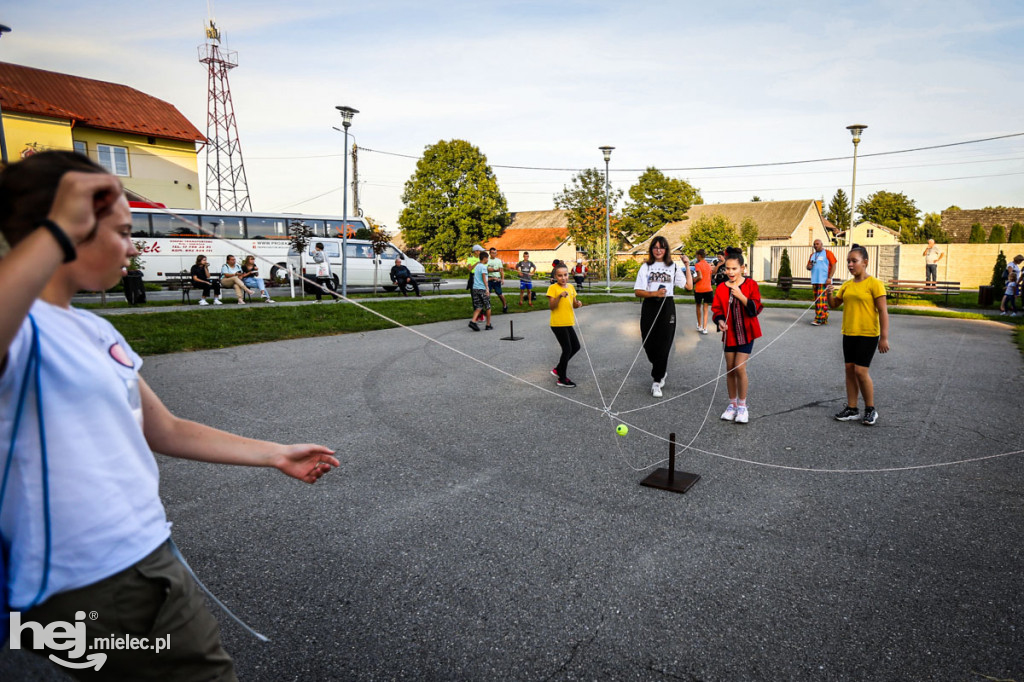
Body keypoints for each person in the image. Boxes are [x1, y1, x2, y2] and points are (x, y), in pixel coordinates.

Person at [0, 151, 339, 679]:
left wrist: (275, 454)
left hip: (149, 554)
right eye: (118, 231)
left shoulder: (94, 331)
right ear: (68, 231)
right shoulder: (20, 328)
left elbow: (166, 428)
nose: (132, 247)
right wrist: (58, 227)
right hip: (86, 584)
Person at [826, 244, 890, 426]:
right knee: (849, 370)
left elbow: (883, 311)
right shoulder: (847, 285)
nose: (850, 265)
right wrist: (830, 294)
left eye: (854, 261)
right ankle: (852, 408)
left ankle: (870, 409)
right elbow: (834, 304)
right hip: (849, 333)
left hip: (868, 334)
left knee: (861, 372)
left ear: (865, 262)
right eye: (848, 261)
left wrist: (884, 337)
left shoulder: (874, 284)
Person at [633, 236, 693, 398]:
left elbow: (688, 286)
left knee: (664, 344)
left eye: (662, 247)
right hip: (650, 305)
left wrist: (687, 265)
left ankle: (657, 381)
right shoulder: (646, 267)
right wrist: (654, 293)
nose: (658, 250)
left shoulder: (672, 267)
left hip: (667, 306)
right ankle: (659, 368)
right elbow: (638, 291)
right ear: (652, 249)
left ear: (666, 250)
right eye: (655, 247)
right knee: (648, 343)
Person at [711, 246, 763, 424]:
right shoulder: (720, 288)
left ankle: (742, 406)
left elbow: (755, 308)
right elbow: (716, 309)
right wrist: (719, 321)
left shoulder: (751, 285)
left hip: (746, 332)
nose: (730, 272)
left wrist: (741, 296)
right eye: (727, 268)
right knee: (730, 369)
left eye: (734, 268)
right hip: (730, 334)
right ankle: (732, 405)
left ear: (742, 268)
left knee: (739, 367)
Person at [547, 263, 583, 388]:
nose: (563, 278)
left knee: (576, 346)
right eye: (560, 275)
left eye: (565, 275)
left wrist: (578, 304)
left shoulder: (571, 288)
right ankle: (561, 378)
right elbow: (552, 306)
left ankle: (558, 368)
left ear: (569, 275)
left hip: (568, 322)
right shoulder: (553, 288)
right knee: (567, 349)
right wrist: (559, 296)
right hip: (558, 324)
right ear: (555, 276)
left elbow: (573, 304)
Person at [806, 239, 837, 326]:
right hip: (815, 281)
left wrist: (829, 278)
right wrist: (809, 266)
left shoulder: (828, 253)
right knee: (817, 301)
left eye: (817, 244)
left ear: (821, 244)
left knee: (821, 300)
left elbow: (834, 265)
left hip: (824, 281)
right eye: (814, 244)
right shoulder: (812, 255)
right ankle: (823, 317)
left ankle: (819, 319)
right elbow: (808, 267)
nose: (815, 245)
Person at [468, 250, 492, 331]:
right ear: (484, 258)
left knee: (479, 306)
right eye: (487, 258)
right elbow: (484, 278)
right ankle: (488, 325)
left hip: (475, 288)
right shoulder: (483, 267)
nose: (488, 260)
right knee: (488, 307)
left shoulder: (477, 266)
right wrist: (487, 289)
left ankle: (473, 321)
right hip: (482, 289)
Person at [692, 249, 713, 334]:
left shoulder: (698, 264)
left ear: (699, 256)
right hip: (708, 288)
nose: (696, 257)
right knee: (706, 308)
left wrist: (693, 280)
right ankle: (705, 328)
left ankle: (699, 325)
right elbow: (710, 277)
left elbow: (699, 276)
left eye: (697, 255)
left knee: (698, 306)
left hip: (699, 289)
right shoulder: (708, 265)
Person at [487, 247, 508, 313]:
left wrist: (502, 279)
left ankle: (505, 305)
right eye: (493, 253)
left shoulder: (498, 261)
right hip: (489, 279)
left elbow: (501, 271)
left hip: (497, 279)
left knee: (499, 294)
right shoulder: (487, 260)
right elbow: (486, 269)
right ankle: (488, 308)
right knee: (487, 294)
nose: (494, 254)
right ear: (490, 253)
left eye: (495, 253)